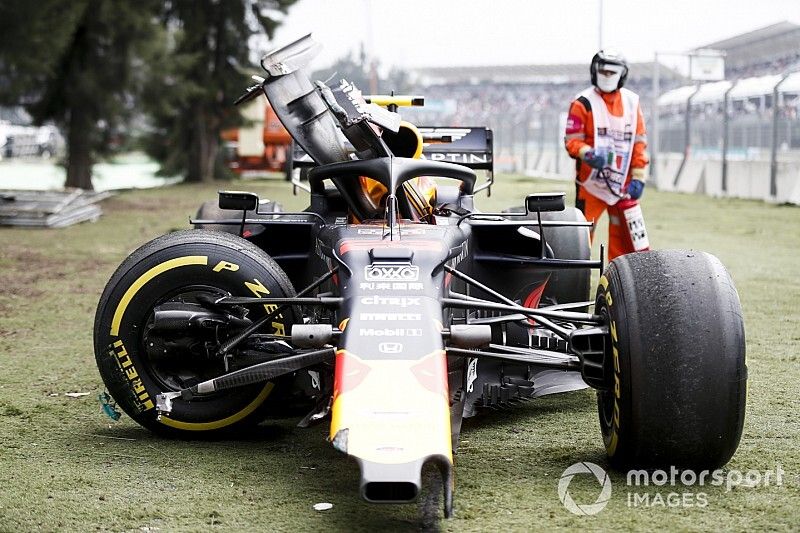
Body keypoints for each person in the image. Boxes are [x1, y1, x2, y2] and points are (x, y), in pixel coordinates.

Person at [564, 50, 650, 260]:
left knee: (625, 241)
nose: (607, 76)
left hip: (623, 186)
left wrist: (639, 178)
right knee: (582, 237)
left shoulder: (632, 103)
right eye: (603, 71)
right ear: (595, 71)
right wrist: (587, 153)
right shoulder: (582, 102)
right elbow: (571, 140)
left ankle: (617, 277)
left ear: (622, 74)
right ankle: (579, 276)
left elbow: (639, 143)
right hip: (591, 185)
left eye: (612, 72)